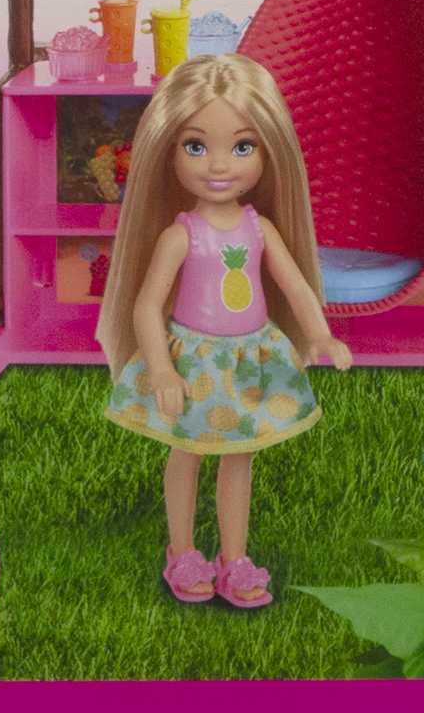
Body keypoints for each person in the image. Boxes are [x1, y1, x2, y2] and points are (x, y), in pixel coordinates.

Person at [98, 55, 350, 610]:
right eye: (196, 146)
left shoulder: (260, 228)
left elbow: (295, 283)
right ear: (168, 152)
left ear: (268, 152)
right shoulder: (180, 235)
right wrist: (162, 369)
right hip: (193, 360)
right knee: (186, 452)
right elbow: (146, 306)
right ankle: (183, 550)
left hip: (249, 357)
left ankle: (234, 558)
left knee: (240, 457)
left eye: (242, 147)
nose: (218, 164)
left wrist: (319, 333)